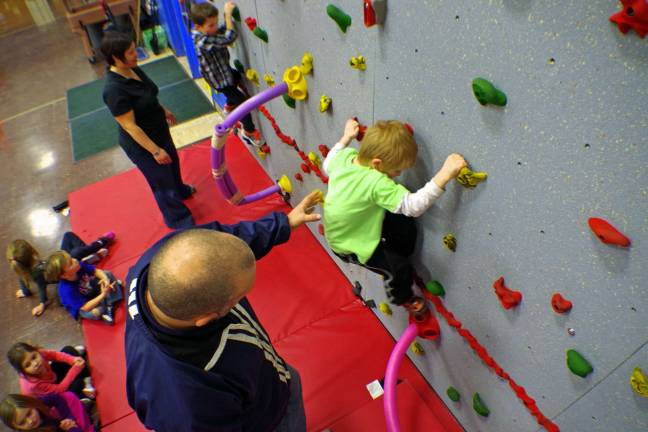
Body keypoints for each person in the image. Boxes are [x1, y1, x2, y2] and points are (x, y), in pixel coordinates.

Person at [124, 191, 322, 432]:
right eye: (240, 296)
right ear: (206, 318)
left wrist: (284, 224)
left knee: (293, 381)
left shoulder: (165, 258)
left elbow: (223, 246)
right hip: (264, 419)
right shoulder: (188, 397)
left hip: (267, 378)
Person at [322, 119, 467, 316]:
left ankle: (397, 249)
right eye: (396, 170)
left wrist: (346, 137)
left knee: (403, 223)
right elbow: (413, 206)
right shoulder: (376, 183)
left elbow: (328, 162)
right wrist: (445, 174)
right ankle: (402, 296)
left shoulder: (347, 157)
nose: (398, 174)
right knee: (398, 268)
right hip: (349, 244)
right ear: (377, 164)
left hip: (352, 223)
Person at [101, 31, 195, 229]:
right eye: (131, 52)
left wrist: (162, 109)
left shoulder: (132, 69)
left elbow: (148, 94)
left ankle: (182, 191)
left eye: (134, 49)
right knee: (161, 182)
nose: (136, 54)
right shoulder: (114, 89)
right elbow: (129, 126)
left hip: (159, 130)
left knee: (173, 164)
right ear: (116, 58)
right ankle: (178, 220)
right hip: (143, 145)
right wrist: (155, 151)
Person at [190, 1, 263, 147]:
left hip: (224, 73)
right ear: (198, 27)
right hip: (219, 80)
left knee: (236, 76)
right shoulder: (202, 40)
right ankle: (248, 131)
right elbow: (229, 37)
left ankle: (229, 105)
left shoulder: (208, 32)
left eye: (216, 23)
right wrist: (228, 16)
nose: (215, 27)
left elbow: (220, 31)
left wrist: (223, 21)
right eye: (211, 25)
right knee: (243, 103)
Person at [6, 232, 114, 317]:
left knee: (68, 236)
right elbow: (41, 287)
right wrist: (42, 303)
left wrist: (25, 292)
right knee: (76, 253)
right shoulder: (37, 273)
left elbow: (22, 278)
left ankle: (89, 256)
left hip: (62, 265)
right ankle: (101, 242)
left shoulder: (24, 270)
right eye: (72, 261)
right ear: (32, 252)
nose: (74, 261)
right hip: (64, 271)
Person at [44, 251, 123, 325]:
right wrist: (103, 294)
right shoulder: (66, 291)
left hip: (91, 290)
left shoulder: (78, 266)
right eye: (71, 263)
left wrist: (105, 280)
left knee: (106, 274)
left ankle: (109, 303)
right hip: (84, 304)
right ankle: (109, 302)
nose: (75, 260)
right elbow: (84, 307)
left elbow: (95, 271)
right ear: (64, 275)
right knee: (94, 313)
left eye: (71, 258)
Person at [7, 342, 96, 402]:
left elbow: (55, 355)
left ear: (36, 351)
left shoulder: (40, 353)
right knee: (76, 385)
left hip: (52, 378)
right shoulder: (33, 385)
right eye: (27, 365)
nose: (35, 364)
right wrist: (75, 369)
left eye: (34, 357)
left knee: (67, 349)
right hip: (53, 397)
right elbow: (60, 389)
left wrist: (72, 360)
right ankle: (83, 389)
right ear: (23, 371)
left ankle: (84, 373)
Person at [0, 393, 93, 432]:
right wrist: (71, 428)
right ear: (16, 428)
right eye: (22, 423)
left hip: (63, 423)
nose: (30, 421)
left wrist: (67, 417)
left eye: (29, 414)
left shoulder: (38, 403)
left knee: (68, 395)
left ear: (32, 404)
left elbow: (55, 398)